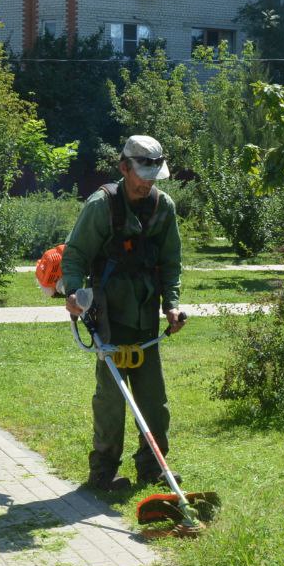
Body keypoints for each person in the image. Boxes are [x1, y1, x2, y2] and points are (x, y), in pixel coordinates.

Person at [63, 136, 184, 493]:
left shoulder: (164, 207)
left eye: (153, 173)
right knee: (111, 400)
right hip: (107, 316)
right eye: (141, 172)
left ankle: (152, 468)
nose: (147, 181)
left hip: (146, 316)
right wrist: (73, 293)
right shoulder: (101, 205)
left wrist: (171, 304)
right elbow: (75, 255)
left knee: (153, 401)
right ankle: (102, 472)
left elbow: (170, 262)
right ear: (123, 167)